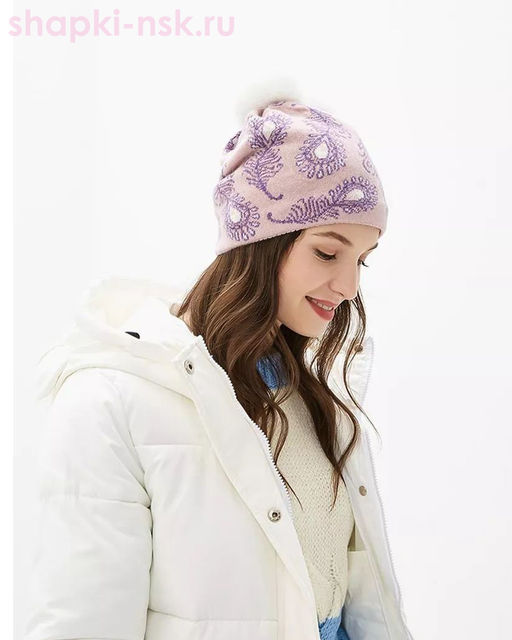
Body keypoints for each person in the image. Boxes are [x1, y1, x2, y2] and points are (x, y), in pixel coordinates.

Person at [24, 98, 414, 640]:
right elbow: (82, 624)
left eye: (362, 260)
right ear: (259, 242)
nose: (349, 287)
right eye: (328, 253)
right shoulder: (112, 400)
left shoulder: (313, 396)